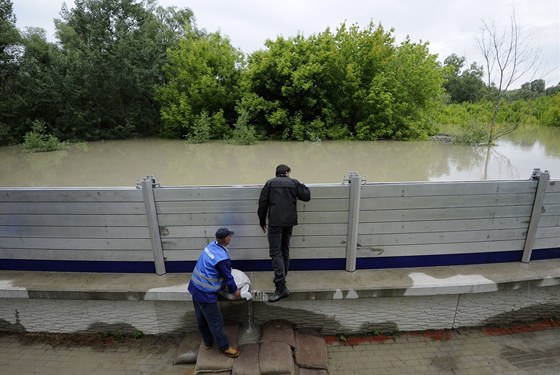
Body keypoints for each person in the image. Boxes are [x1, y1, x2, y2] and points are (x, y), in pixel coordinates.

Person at [258, 164, 311, 302]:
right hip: (289, 222)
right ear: (287, 172)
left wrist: (262, 221)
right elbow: (306, 196)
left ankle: (281, 287)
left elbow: (262, 203)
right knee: (284, 250)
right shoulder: (293, 182)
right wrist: (302, 185)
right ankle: (282, 277)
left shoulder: (270, 183)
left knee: (275, 252)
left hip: (275, 222)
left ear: (277, 173)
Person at [188, 227, 241, 358]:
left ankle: (207, 342)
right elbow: (228, 277)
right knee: (216, 321)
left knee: (201, 318)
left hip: (195, 287)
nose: (231, 238)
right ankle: (224, 347)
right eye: (230, 236)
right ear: (226, 239)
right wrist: (235, 291)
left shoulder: (211, 245)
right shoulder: (222, 258)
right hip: (205, 293)